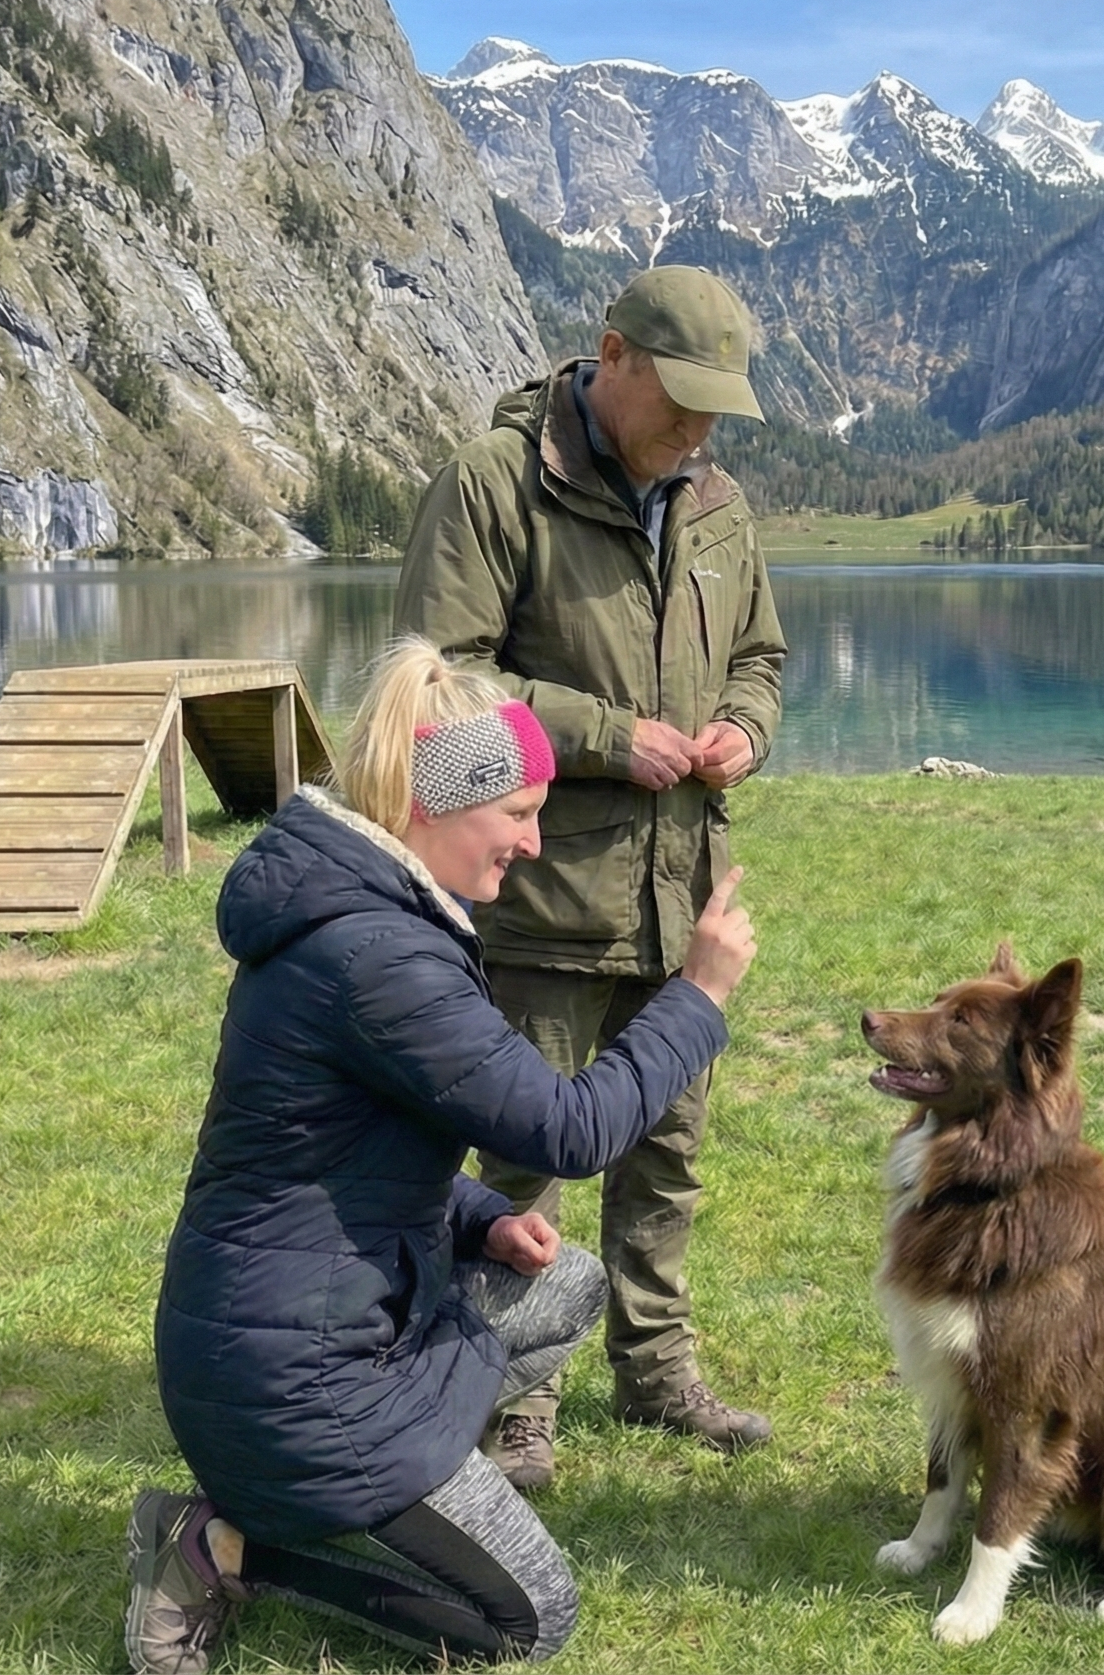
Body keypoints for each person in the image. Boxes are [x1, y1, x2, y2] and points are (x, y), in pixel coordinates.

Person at [126, 638, 757, 1673]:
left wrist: (479, 1218)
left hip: (278, 1345)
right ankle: (224, 1547)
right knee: (534, 1620)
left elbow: (333, 1148)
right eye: (517, 814)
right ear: (437, 799)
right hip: (296, 1385)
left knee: (563, 1283)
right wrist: (697, 997)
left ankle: (382, 1486)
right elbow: (569, 1129)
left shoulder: (360, 912)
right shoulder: (380, 956)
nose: (536, 842)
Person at [392, 265, 785, 1486]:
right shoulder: (498, 481)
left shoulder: (718, 504)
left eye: (720, 411)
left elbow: (763, 657)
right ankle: (512, 1396)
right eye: (680, 402)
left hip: (682, 899)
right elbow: (433, 691)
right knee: (521, 1161)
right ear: (611, 356)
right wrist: (609, 734)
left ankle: (655, 1365)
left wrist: (745, 732)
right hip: (541, 902)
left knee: (667, 1151)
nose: (700, 432)